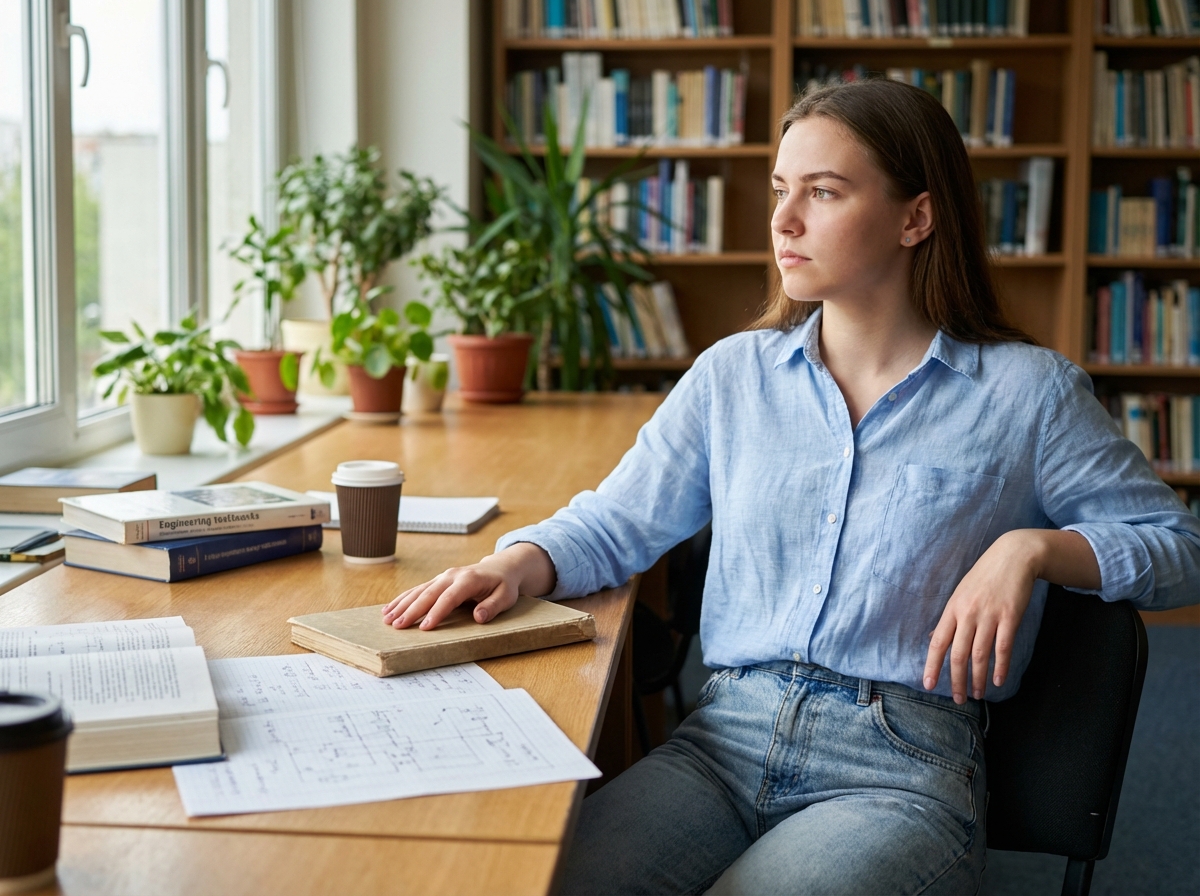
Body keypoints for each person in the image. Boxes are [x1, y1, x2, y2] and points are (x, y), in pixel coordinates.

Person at [381, 78, 1200, 895]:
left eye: (824, 192)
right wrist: (514, 563)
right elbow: (617, 521)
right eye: (781, 190)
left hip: (897, 771)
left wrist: (1035, 548)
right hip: (722, 740)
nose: (783, 220)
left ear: (916, 217)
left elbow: (1180, 548)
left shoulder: (1029, 395)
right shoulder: (733, 375)